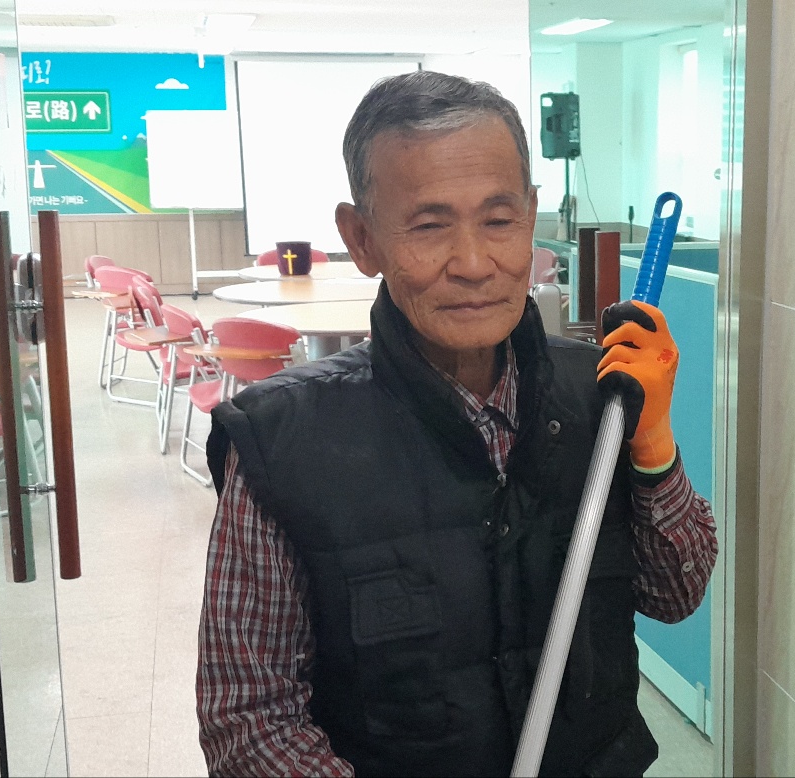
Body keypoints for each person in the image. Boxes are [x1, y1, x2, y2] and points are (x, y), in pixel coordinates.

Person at [196, 71, 717, 777]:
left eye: (499, 221)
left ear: (531, 218)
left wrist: (654, 445)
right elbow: (248, 724)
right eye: (429, 226)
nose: (473, 264)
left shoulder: (604, 395)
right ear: (362, 239)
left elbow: (675, 594)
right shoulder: (280, 444)